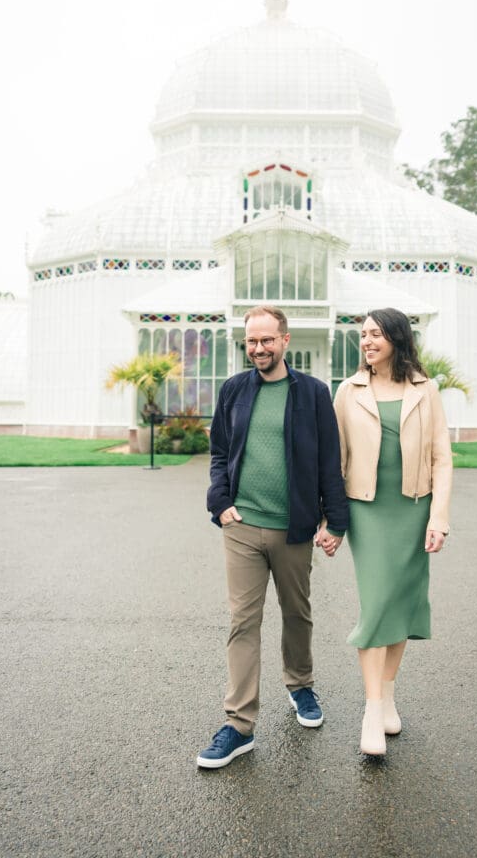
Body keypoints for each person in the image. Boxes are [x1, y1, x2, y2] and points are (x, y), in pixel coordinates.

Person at [198, 305, 349, 769]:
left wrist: (336, 522)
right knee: (243, 621)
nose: (258, 348)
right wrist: (220, 502)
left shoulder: (314, 393)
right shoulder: (234, 390)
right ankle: (239, 724)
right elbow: (221, 451)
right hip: (241, 526)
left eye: (266, 340)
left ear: (285, 340)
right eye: (251, 341)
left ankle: (300, 686)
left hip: (293, 527)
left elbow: (329, 460)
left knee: (296, 612)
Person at [333, 308, 452, 756]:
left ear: (397, 340)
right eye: (363, 335)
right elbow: (336, 460)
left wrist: (438, 516)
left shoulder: (426, 389)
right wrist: (333, 519)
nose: (366, 341)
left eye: (376, 334)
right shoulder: (347, 391)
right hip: (367, 511)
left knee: (402, 603)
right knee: (379, 602)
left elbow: (442, 457)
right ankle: (370, 710)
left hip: (413, 509)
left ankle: (386, 696)